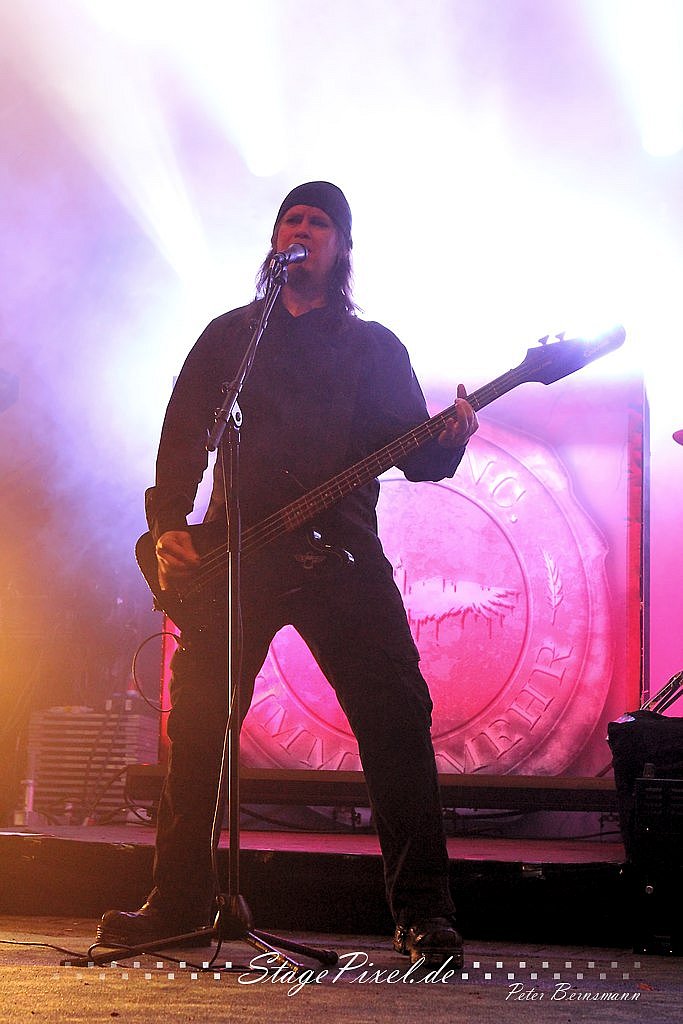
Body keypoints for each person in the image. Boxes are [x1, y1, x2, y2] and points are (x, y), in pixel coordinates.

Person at [98, 181, 478, 966]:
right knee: (197, 725)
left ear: (341, 248)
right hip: (237, 557)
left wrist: (451, 437)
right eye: (290, 219)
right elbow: (182, 437)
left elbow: (417, 457)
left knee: (395, 720)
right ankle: (176, 901)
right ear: (275, 240)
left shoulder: (372, 348)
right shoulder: (231, 337)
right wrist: (168, 526)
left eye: (318, 222)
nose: (301, 229)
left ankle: (424, 914)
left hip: (340, 556)